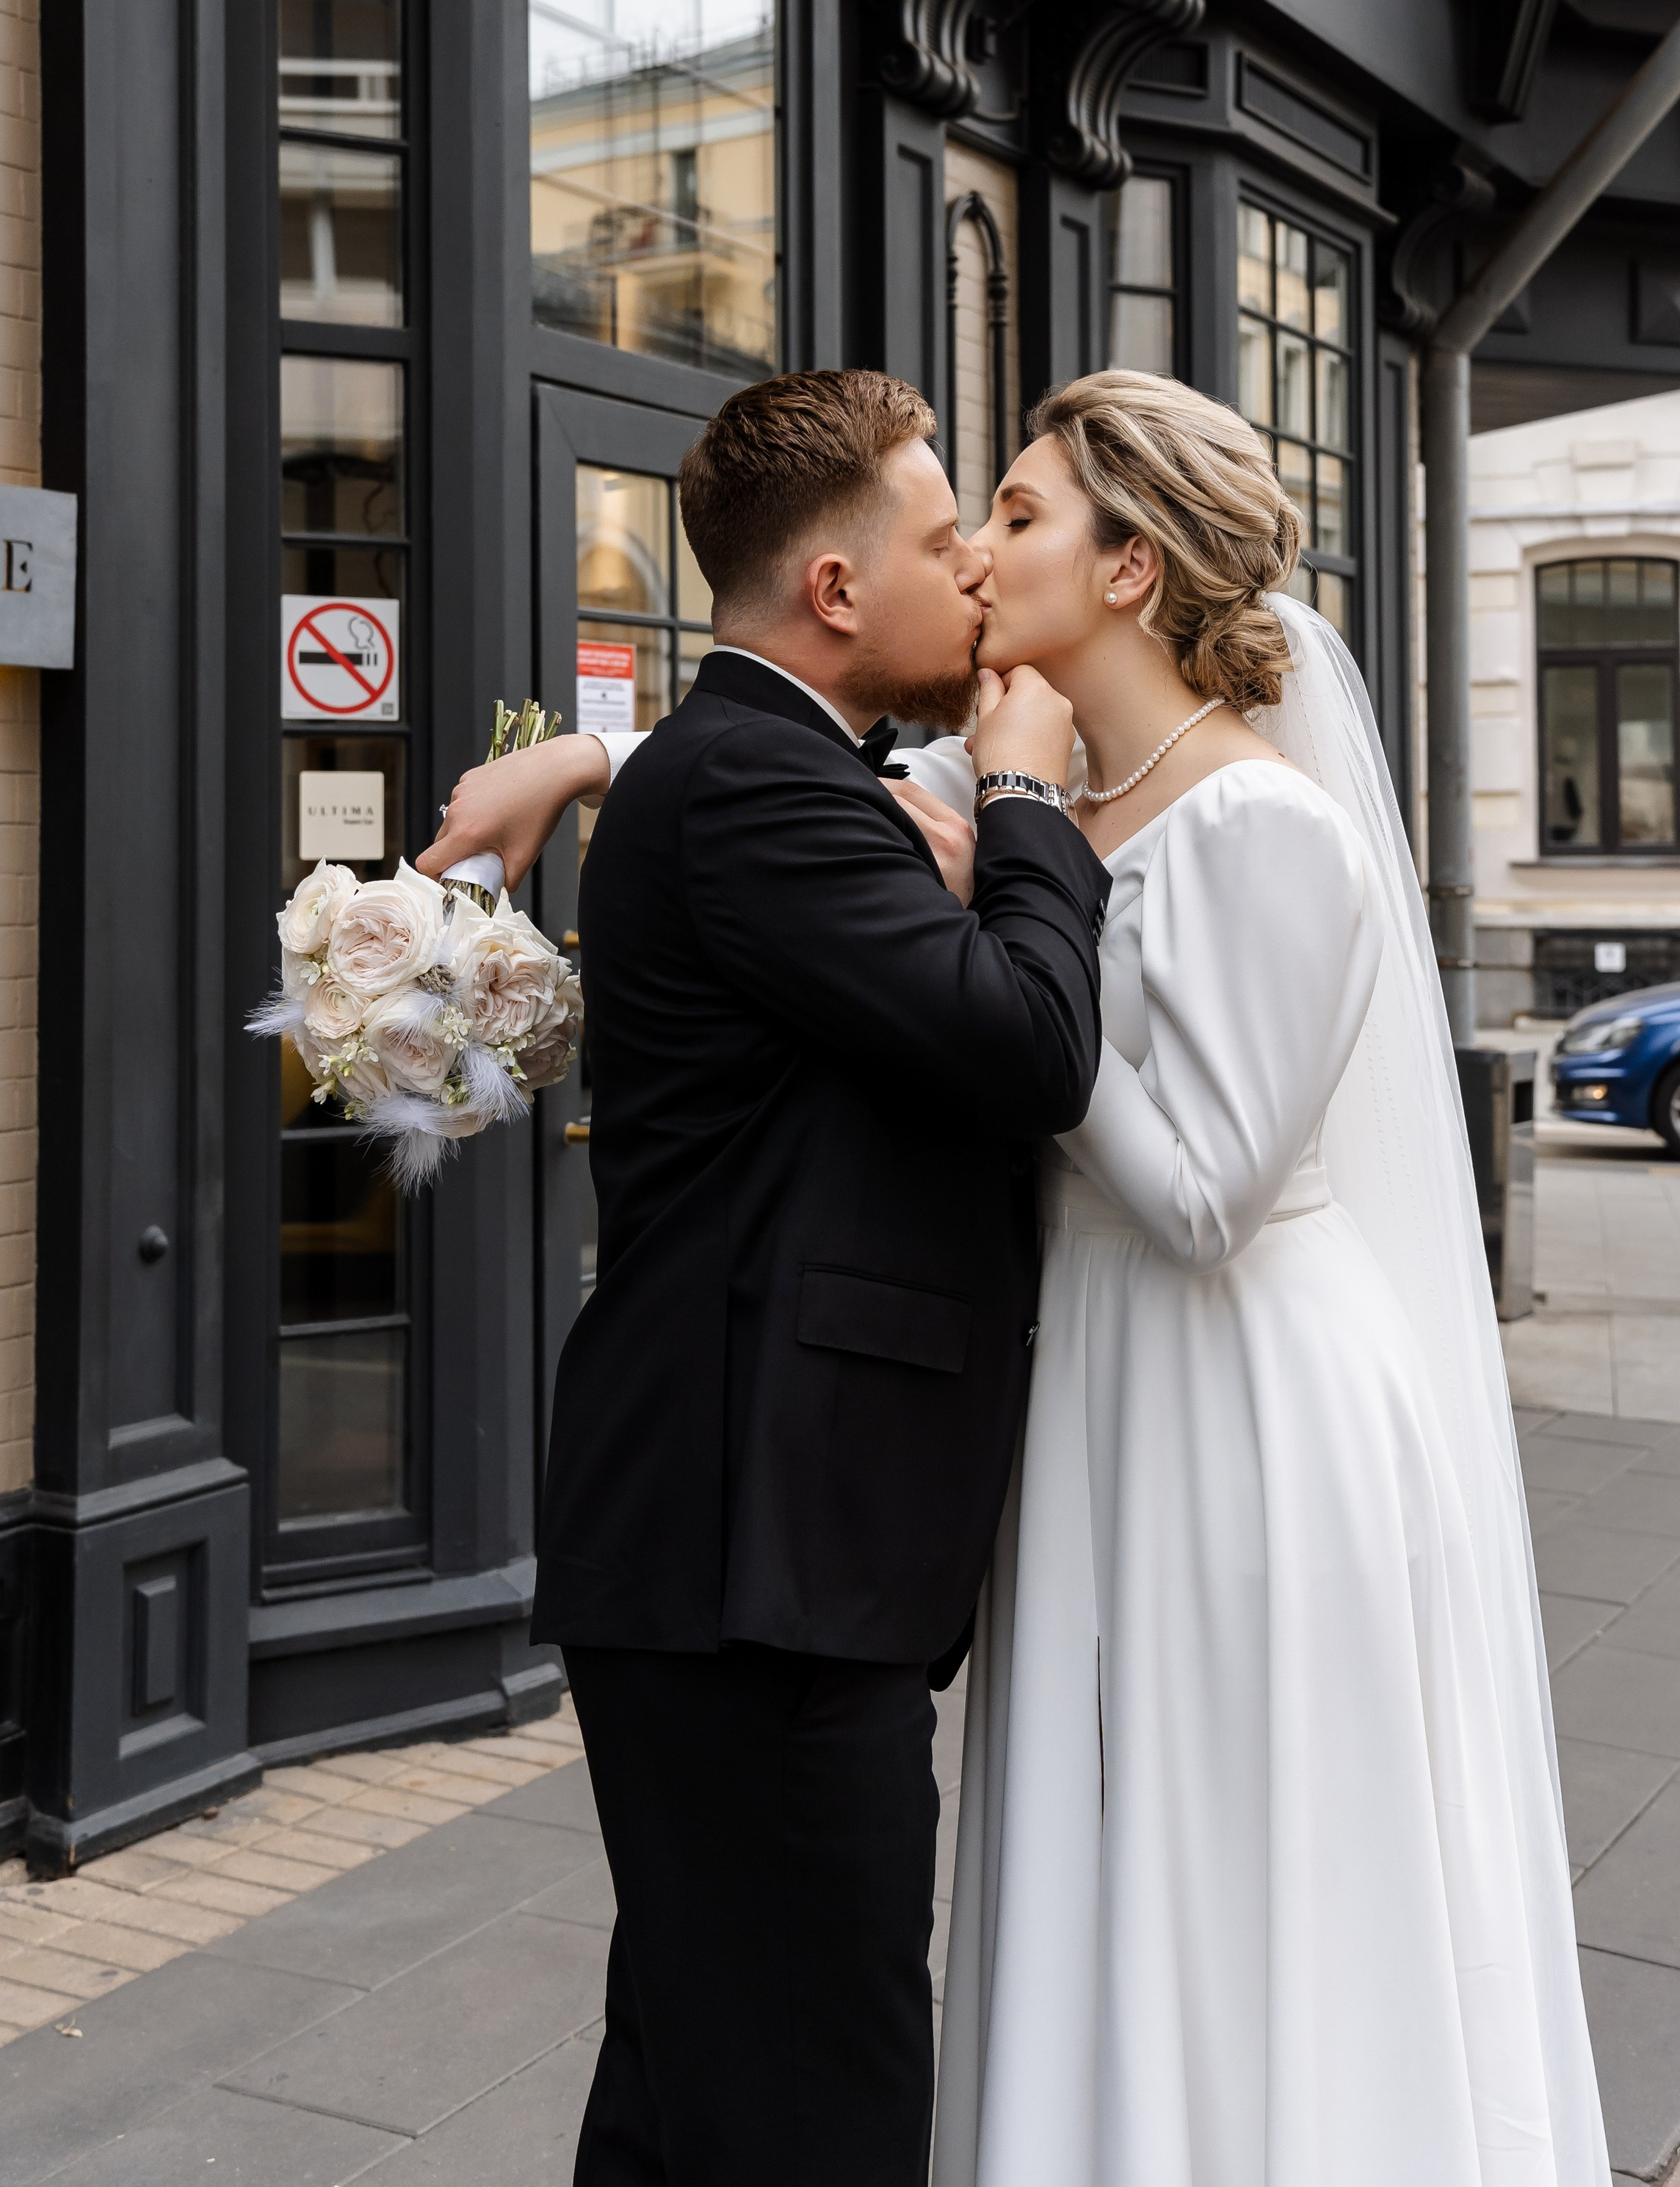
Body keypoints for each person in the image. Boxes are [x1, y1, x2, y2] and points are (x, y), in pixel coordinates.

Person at [432, 366, 1609, 2187]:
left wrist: (996, 840)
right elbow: (789, 792)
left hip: (1233, 1413)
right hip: (900, 1481)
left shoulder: (1240, 822)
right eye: (956, 523)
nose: (978, 555)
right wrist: (600, 757)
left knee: (1215, 1880)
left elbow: (1190, 1184)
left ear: (1129, 568)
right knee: (829, 2012)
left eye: (1013, 513)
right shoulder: (974, 791)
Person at [416, 367, 1108, 2187]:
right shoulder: (760, 787)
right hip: (755, 1560)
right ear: (833, 589)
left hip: (748, 1551)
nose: (974, 571)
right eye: (946, 539)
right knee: (814, 2104)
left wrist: (585, 752)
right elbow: (1030, 1046)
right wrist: (1026, 802)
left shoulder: (759, 765)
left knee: (696, 2085)